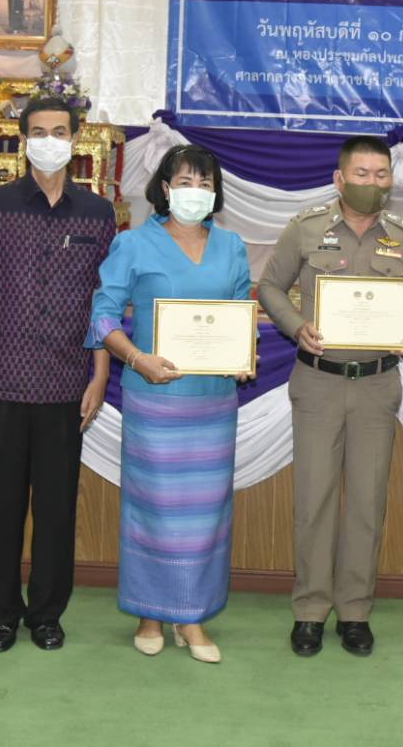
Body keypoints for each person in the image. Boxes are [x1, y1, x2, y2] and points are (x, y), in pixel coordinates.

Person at [258, 135, 403, 658]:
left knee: (366, 501)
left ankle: (355, 611)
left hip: (379, 385)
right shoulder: (307, 227)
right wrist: (295, 326)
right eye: (362, 174)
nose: (372, 183)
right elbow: (269, 286)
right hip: (317, 382)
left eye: (381, 175)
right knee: (313, 501)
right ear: (340, 179)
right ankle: (310, 610)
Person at [0, 96, 116, 653]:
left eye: (60, 130)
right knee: (0, 506)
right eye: (39, 130)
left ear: (76, 138)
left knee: (56, 507)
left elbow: (104, 300)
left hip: (67, 385)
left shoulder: (97, 213)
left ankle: (47, 614)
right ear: (24, 140)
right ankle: (0, 614)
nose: (50, 138)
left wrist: (99, 374)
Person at [86, 144, 254, 664]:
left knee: (206, 515)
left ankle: (194, 618)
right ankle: (149, 613)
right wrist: (136, 359)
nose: (195, 193)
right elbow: (103, 317)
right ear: (164, 188)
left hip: (212, 402)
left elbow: (243, 310)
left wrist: (245, 353)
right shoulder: (133, 244)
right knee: (153, 510)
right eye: (185, 182)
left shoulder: (232, 246)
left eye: (205, 185)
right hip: (155, 398)